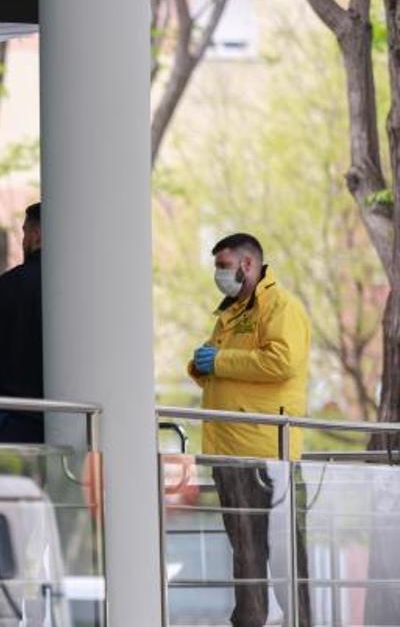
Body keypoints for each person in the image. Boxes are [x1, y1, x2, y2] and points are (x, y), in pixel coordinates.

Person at [187, 233, 311, 627]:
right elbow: (222, 364)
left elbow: (282, 362)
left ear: (247, 265)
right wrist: (200, 365)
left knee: (283, 552)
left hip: (266, 451)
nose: (218, 274)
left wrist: (220, 362)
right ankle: (251, 620)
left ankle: (296, 620)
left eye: (223, 266)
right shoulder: (232, 312)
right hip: (230, 449)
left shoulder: (280, 306)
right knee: (245, 549)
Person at [0, 202, 44, 443]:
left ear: (37, 235)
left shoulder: (2, 290)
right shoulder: (77, 293)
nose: (22, 241)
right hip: (67, 420)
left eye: (25, 232)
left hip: (11, 424)